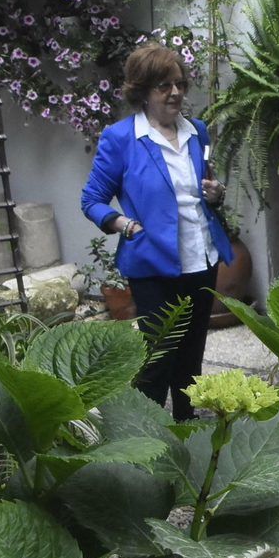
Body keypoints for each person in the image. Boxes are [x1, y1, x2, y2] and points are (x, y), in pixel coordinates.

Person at [81, 42, 232, 420]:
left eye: (179, 84)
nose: (176, 92)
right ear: (143, 92)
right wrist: (124, 224)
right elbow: (92, 200)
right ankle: (141, 430)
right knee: (158, 357)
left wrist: (216, 194)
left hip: (201, 257)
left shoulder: (197, 132)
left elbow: (202, 190)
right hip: (153, 263)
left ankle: (187, 425)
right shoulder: (121, 139)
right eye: (164, 86)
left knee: (192, 353)